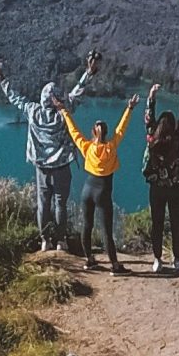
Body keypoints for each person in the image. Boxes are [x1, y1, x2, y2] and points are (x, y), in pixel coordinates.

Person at [0, 49, 100, 252]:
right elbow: (78, 90)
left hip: (41, 168)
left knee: (42, 204)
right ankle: (60, 241)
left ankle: (44, 241)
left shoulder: (33, 111)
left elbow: (15, 97)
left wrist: (0, 77)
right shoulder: (64, 113)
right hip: (61, 168)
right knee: (60, 204)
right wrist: (89, 72)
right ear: (57, 99)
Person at [61, 92, 138, 271]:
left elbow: (74, 131)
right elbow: (121, 129)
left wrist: (65, 112)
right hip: (103, 192)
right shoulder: (111, 147)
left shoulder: (87, 147)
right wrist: (129, 108)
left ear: (93, 133)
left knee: (87, 225)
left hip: (87, 189)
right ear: (106, 133)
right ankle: (114, 265)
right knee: (106, 230)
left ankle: (89, 260)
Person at [142, 79, 179, 273]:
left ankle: (157, 260)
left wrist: (151, 97)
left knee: (157, 223)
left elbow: (148, 118)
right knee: (176, 223)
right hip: (176, 188)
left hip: (157, 188)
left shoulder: (152, 136)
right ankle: (177, 259)